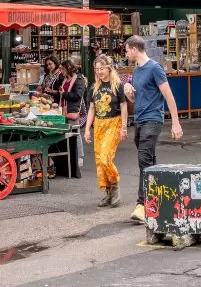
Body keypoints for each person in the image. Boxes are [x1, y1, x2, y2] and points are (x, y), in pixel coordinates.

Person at [122, 35, 183, 224]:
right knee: (150, 162)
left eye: (126, 50)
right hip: (139, 121)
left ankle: (143, 205)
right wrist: (128, 93)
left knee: (144, 161)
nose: (126, 54)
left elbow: (168, 96)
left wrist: (175, 122)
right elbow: (136, 100)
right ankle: (160, 201)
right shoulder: (136, 70)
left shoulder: (155, 68)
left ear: (134, 49)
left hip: (153, 120)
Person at [84, 55, 128, 207]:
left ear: (109, 68)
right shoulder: (94, 87)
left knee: (105, 158)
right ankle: (107, 191)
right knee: (99, 162)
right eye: (97, 69)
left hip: (113, 123)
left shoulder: (117, 85)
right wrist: (87, 129)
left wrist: (124, 127)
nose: (99, 72)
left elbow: (123, 106)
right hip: (99, 125)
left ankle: (115, 186)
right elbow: (91, 109)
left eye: (102, 68)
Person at [60, 61, 87, 179]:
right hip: (65, 109)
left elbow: (77, 95)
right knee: (70, 133)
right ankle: (70, 158)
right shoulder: (66, 79)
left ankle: (79, 157)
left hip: (72, 109)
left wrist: (64, 94)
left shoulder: (78, 80)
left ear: (68, 68)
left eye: (63, 69)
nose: (61, 71)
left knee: (76, 134)